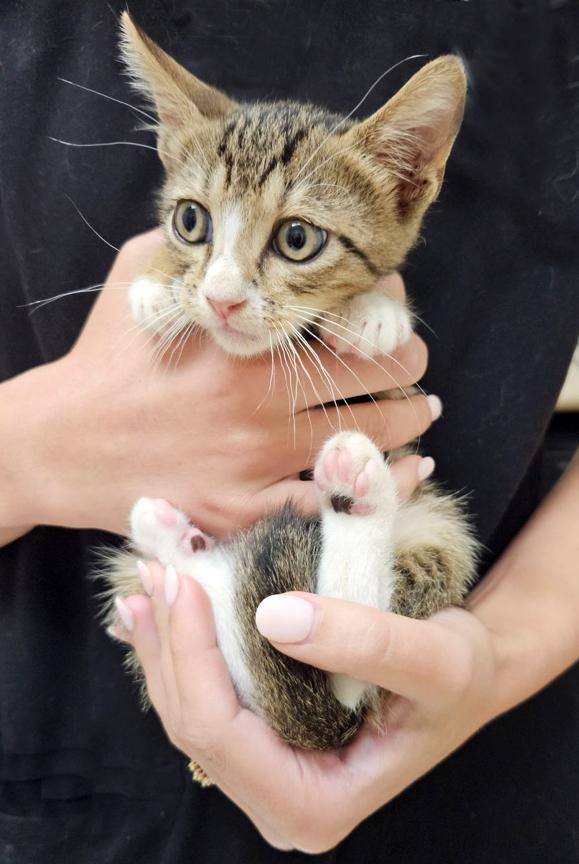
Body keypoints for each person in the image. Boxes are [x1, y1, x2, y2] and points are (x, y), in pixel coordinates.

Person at [0, 1, 578, 861]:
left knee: (423, 541)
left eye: (295, 238)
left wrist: (496, 654)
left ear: (410, 179)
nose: (222, 291)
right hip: (68, 756)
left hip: (464, 760)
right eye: (191, 226)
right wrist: (28, 452)